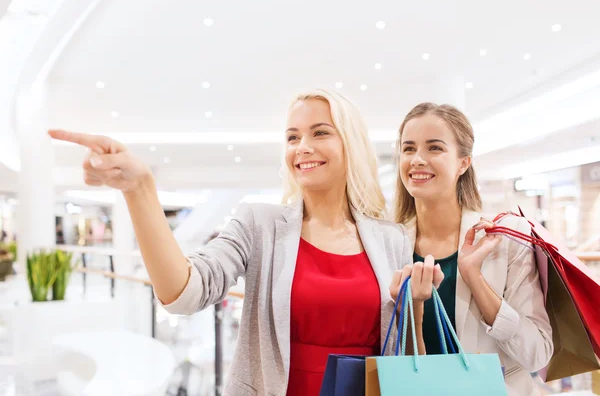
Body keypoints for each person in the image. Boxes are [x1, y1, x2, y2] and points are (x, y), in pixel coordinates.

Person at [48, 89, 442, 396]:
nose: (302, 146)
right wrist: (140, 189)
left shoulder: (391, 238)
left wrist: (417, 305)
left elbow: (404, 355)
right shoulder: (259, 223)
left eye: (320, 132)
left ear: (350, 144)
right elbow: (184, 293)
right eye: (292, 137)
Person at [389, 102, 553, 395]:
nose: (417, 159)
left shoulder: (502, 240)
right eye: (408, 148)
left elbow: (537, 354)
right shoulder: (386, 244)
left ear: (463, 163)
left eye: (434, 148)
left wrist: (474, 277)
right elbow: (391, 353)